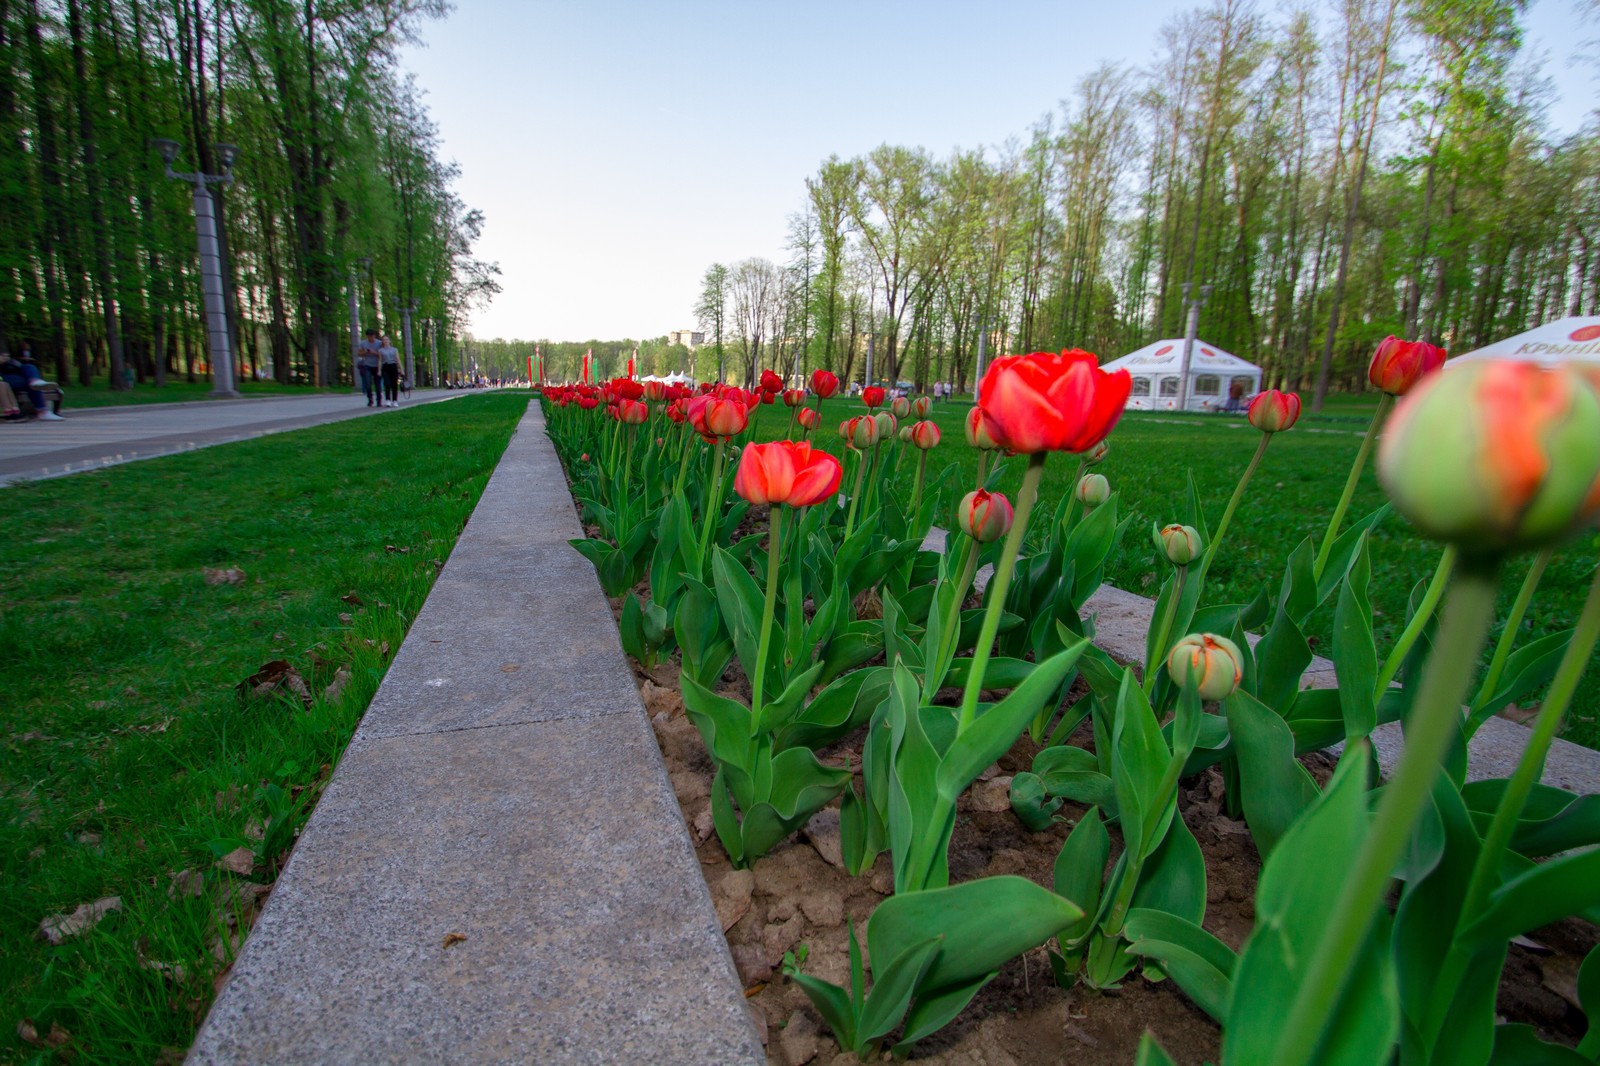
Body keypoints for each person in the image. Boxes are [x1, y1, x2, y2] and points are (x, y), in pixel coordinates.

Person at [0, 349, 62, 420]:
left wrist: (8, 360)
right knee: (30, 384)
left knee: (29, 367)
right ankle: (43, 411)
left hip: (11, 372)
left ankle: (35, 381)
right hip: (3, 378)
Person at [355, 329, 382, 407]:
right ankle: (370, 399)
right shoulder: (363, 343)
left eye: (372, 336)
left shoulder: (379, 343)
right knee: (368, 383)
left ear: (375, 336)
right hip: (367, 365)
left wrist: (375, 352)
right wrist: (365, 352)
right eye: (369, 336)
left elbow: (382, 354)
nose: (371, 338)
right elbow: (359, 353)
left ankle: (379, 400)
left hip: (377, 365)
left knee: (378, 384)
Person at [378, 335, 401, 407]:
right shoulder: (381, 350)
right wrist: (379, 370)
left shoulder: (394, 349)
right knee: (387, 383)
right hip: (385, 367)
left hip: (393, 366)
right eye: (384, 340)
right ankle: (388, 400)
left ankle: (395, 400)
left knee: (394, 384)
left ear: (389, 341)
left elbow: (397, 359)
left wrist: (401, 369)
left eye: (387, 339)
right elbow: (380, 360)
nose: (385, 341)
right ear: (382, 341)